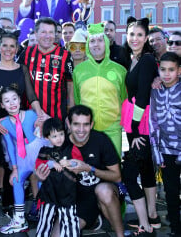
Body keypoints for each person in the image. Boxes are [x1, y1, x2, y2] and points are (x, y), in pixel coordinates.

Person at [0, 28, 46, 233]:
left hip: (14, 126)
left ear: (16, 49)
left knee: (11, 166)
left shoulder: (22, 69)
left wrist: (40, 115)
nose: (7, 49)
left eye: (12, 46)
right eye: (4, 45)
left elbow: (31, 97)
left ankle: (10, 206)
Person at [36, 105, 124, 237]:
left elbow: (117, 177)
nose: (81, 130)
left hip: (102, 191)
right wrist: (41, 177)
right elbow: (38, 169)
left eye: (86, 124)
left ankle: (120, 234)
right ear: (68, 124)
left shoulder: (101, 140)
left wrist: (89, 168)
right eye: (76, 124)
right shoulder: (59, 142)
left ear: (92, 124)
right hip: (74, 200)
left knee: (103, 191)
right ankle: (93, 220)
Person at [120, 17, 160, 236]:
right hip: (135, 120)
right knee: (145, 169)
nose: (134, 38)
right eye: (131, 34)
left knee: (128, 175)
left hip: (140, 123)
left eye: (139, 35)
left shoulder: (145, 60)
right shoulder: (133, 58)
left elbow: (143, 97)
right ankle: (152, 217)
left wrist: (134, 131)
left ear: (146, 38)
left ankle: (144, 224)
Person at [0, 87, 48, 234]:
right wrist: (15, 169)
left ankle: (45, 212)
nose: (11, 103)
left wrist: (42, 121)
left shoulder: (32, 114)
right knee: (17, 180)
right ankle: (19, 219)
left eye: (14, 99)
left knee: (43, 179)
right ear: (2, 105)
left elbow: (47, 127)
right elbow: (10, 147)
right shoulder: (4, 123)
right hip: (22, 156)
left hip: (37, 152)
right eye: (7, 101)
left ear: (19, 100)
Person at [73, 23, 127, 156]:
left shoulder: (120, 70)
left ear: (106, 42)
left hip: (113, 130)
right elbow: (77, 99)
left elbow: (124, 99)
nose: (96, 44)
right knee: (89, 171)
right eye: (92, 41)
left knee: (114, 171)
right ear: (88, 45)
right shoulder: (78, 71)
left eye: (100, 40)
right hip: (87, 131)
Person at [18, 17, 74, 121]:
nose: (48, 36)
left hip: (56, 119)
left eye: (51, 32)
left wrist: (70, 113)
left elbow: (70, 85)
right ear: (36, 33)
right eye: (43, 32)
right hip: (30, 118)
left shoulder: (65, 56)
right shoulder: (26, 53)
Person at [149, 52, 181, 237]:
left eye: (171, 70)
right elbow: (153, 121)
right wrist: (156, 152)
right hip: (166, 149)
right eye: (162, 70)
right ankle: (176, 229)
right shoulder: (156, 90)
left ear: (179, 71)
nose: (166, 74)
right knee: (170, 190)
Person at [35, 117, 82, 237]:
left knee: (70, 220)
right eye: (54, 136)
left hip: (68, 191)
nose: (59, 138)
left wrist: (71, 163)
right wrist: (50, 163)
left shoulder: (70, 147)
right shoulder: (44, 150)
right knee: (44, 221)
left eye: (61, 134)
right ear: (47, 138)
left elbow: (80, 162)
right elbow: (38, 164)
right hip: (49, 192)